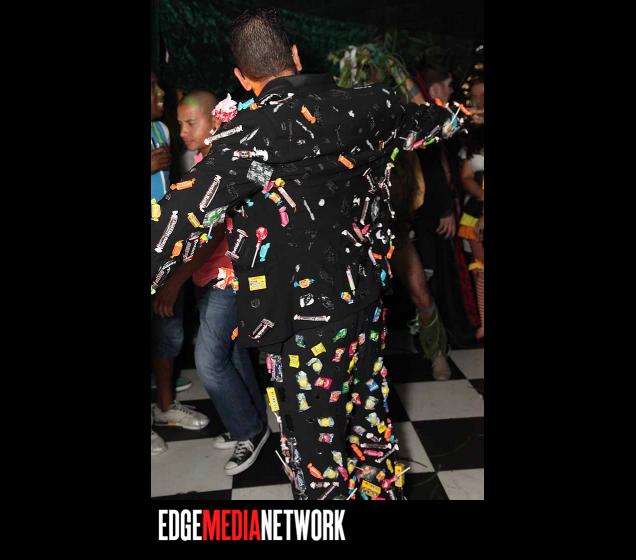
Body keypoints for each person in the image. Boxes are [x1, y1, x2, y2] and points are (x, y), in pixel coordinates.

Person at [150, 8, 459, 499]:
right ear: (295, 55)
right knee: (371, 433)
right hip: (365, 307)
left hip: (300, 327)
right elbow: (436, 122)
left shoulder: (245, 136)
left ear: (242, 77)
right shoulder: (372, 103)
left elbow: (174, 222)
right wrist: (454, 115)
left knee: (318, 464)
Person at [153, 90, 270, 475]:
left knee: (208, 360)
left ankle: (249, 430)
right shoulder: (206, 160)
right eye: (180, 124)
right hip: (209, 276)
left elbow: (214, 232)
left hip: (229, 276)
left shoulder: (225, 163)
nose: (182, 132)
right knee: (231, 354)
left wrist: (175, 281)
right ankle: (252, 422)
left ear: (215, 121)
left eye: (191, 123)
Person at [150, 72, 209, 453]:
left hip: (161, 246)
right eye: (151, 87)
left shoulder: (161, 129)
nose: (160, 92)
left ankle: (165, 406)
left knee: (167, 329)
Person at [411, 64, 481, 348]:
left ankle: (441, 336)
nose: (452, 91)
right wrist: (445, 210)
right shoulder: (426, 120)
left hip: (438, 211)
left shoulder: (437, 118)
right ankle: (433, 339)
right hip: (430, 213)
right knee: (432, 276)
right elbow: (433, 169)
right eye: (449, 85)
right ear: (437, 87)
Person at [458, 124, 484, 338]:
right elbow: (465, 177)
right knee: (480, 269)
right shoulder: (473, 147)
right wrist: (482, 196)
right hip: (474, 213)